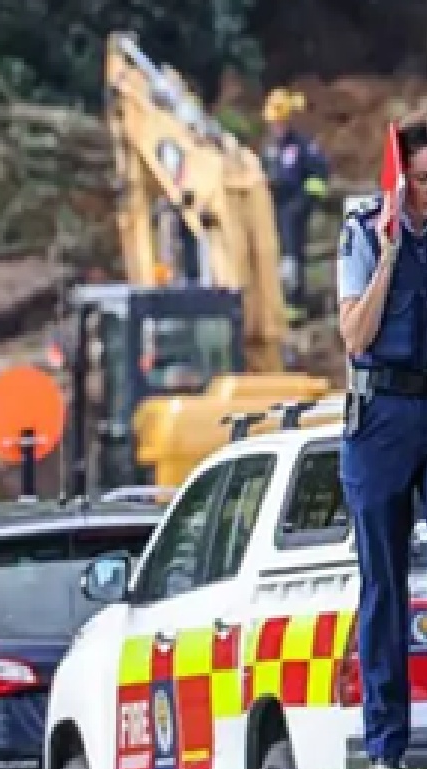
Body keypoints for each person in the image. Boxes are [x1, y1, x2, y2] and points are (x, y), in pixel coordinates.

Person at [337, 112, 427, 769]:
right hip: (382, 414)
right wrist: (392, 248)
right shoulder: (364, 229)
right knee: (384, 585)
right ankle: (387, 743)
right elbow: (356, 336)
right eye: (420, 181)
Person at [262, 86, 330, 312]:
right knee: (275, 255)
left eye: (279, 122)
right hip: (273, 208)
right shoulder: (270, 148)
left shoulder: (302, 145)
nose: (276, 127)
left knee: (293, 256)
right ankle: (276, 302)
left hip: (294, 207)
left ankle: (294, 305)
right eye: (273, 123)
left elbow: (319, 176)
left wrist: (304, 202)